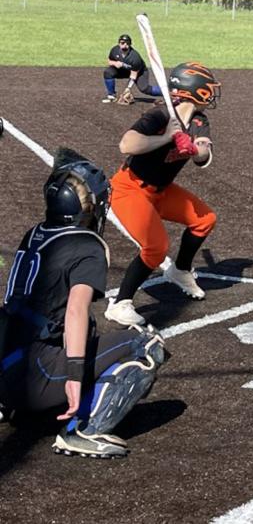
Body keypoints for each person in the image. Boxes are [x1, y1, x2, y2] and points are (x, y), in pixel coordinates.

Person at [0, 149, 166, 458]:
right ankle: (84, 428)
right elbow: (75, 309)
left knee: (80, 326)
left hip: (6, 365)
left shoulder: (35, 233)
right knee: (146, 344)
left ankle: (9, 404)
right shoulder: (87, 245)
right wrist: (74, 378)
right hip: (35, 376)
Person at [104, 62, 220, 327]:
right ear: (196, 91)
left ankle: (179, 270)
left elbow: (203, 156)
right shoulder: (159, 116)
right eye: (208, 88)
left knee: (205, 219)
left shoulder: (199, 120)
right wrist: (167, 137)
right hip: (130, 188)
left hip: (162, 191)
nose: (212, 93)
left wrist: (192, 148)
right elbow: (127, 144)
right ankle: (121, 303)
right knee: (155, 248)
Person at [102, 34, 163, 105]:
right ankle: (111, 96)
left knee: (144, 89)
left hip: (140, 72)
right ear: (119, 43)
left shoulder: (135, 57)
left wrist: (128, 88)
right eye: (122, 43)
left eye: (127, 43)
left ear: (130, 44)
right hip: (124, 70)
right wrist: (115, 63)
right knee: (108, 72)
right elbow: (109, 61)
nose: (124, 45)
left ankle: (167, 92)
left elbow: (133, 75)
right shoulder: (115, 50)